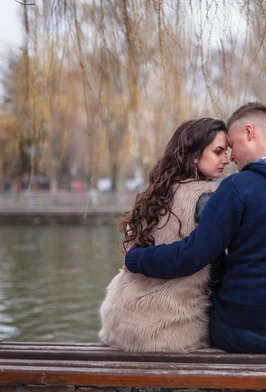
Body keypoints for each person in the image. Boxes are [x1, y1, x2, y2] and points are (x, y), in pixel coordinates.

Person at [124, 102, 266, 354]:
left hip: (244, 332)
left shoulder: (237, 188)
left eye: (231, 147)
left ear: (249, 132)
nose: (231, 158)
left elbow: (192, 256)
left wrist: (137, 258)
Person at [99, 117, 230, 353]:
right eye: (218, 151)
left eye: (227, 152)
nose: (226, 160)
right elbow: (217, 275)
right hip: (170, 329)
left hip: (119, 322)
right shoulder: (207, 200)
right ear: (195, 155)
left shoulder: (152, 195)